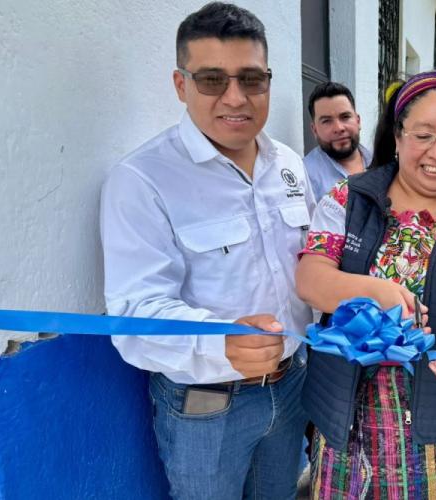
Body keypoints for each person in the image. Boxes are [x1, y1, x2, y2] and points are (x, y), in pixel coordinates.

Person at [100, 3, 312, 498]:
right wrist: (221, 342)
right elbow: (134, 314)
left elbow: (312, 266)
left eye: (252, 79)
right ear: (181, 85)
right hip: (207, 406)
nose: (235, 98)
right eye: (212, 79)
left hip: (293, 385)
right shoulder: (143, 180)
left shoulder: (289, 164)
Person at [296, 71, 436, 498]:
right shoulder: (349, 198)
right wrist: (374, 290)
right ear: (397, 137)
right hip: (351, 422)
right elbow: (311, 279)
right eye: (423, 134)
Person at [304, 81, 373, 201]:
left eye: (345, 117)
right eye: (326, 121)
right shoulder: (304, 176)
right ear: (314, 130)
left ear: (358, 121)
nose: (338, 128)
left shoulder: (380, 162)